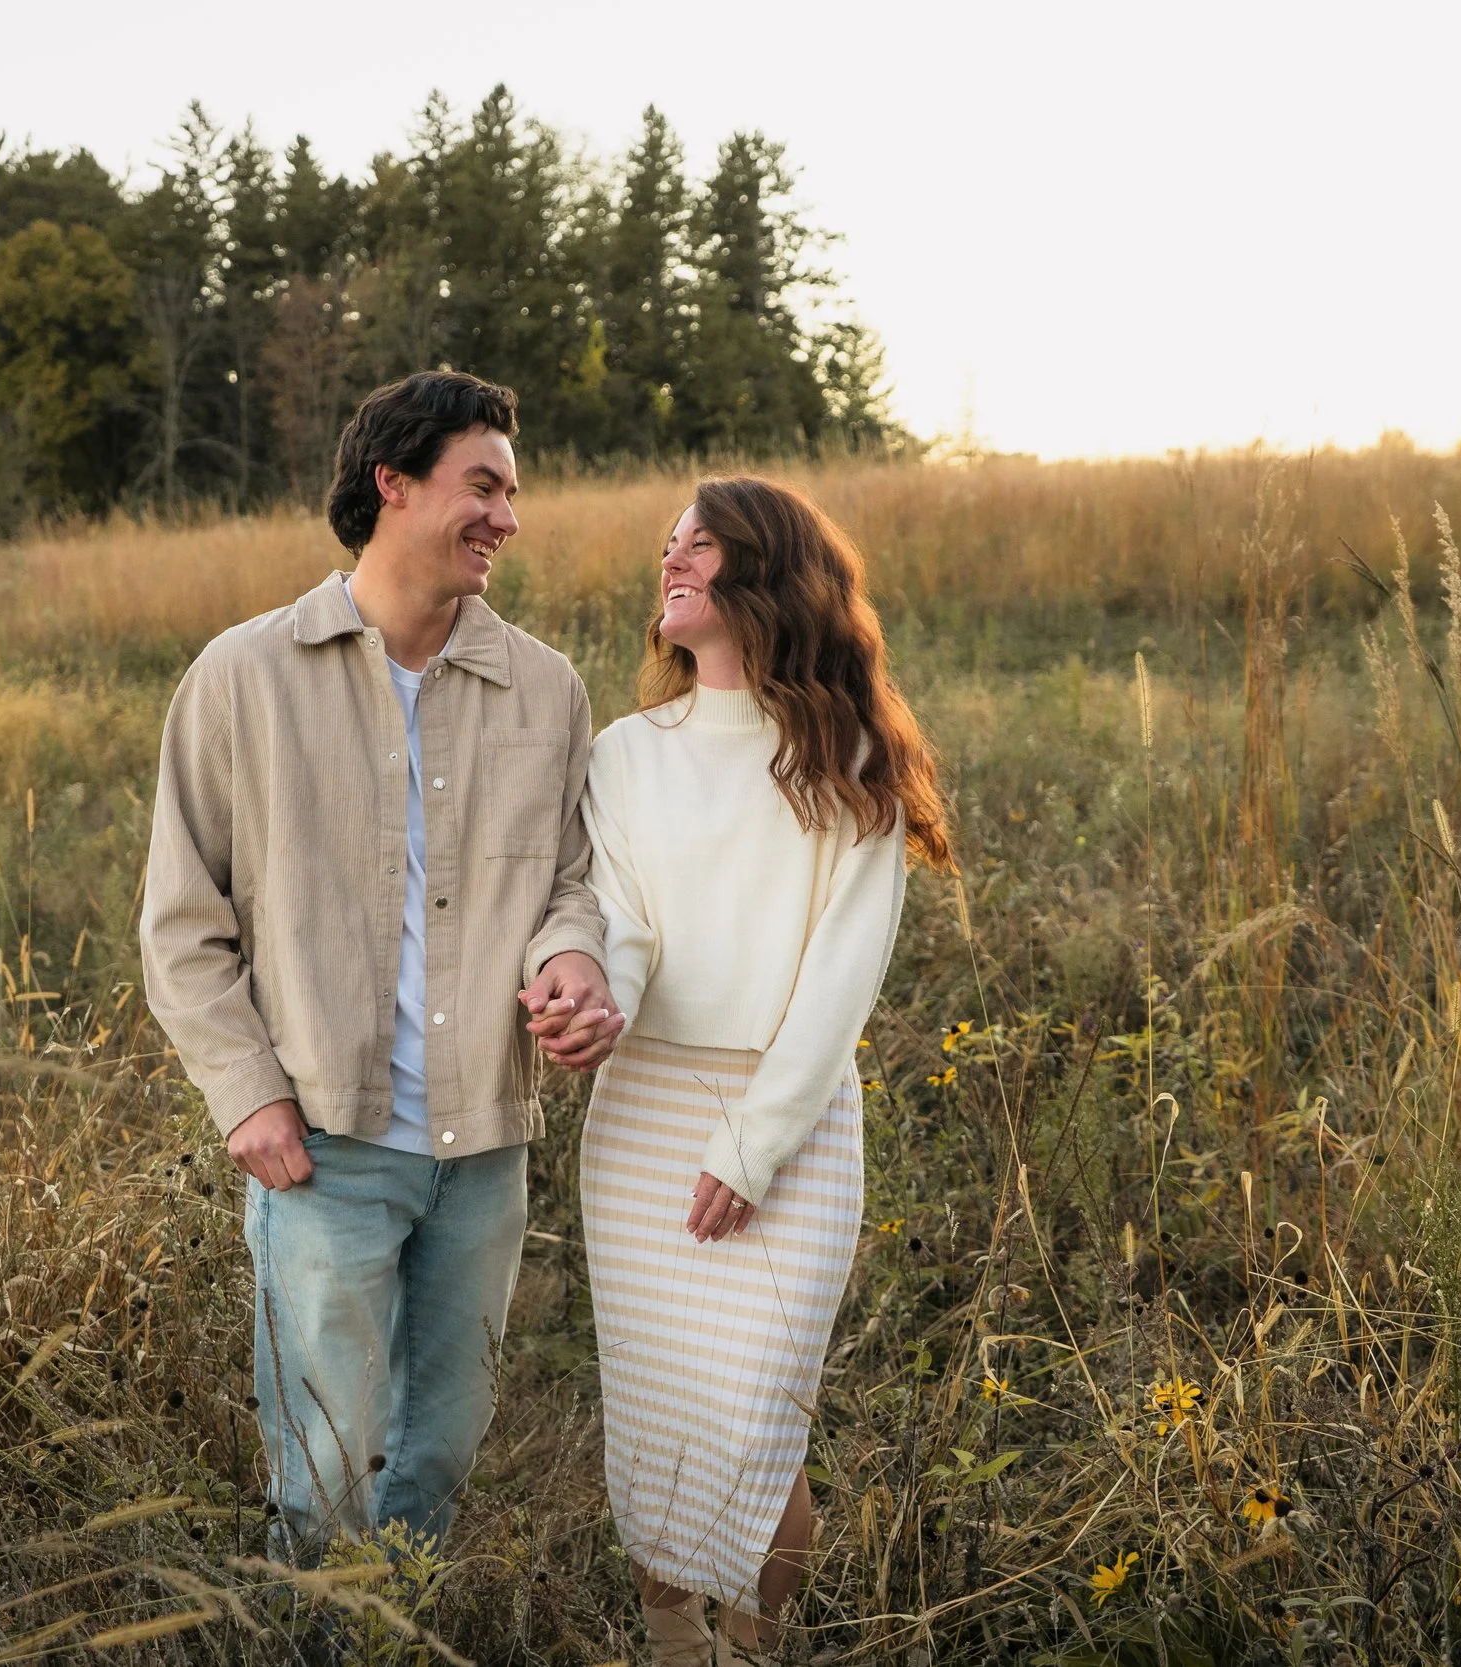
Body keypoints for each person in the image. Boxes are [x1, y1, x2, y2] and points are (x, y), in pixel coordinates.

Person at [138, 370, 625, 1561]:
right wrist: (246, 1089)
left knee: (441, 1451)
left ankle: (397, 1626)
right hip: (324, 1147)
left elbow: (573, 879)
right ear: (391, 484)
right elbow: (179, 920)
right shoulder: (241, 678)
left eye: (511, 493)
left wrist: (571, 959)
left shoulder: (546, 688)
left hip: (482, 1150)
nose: (507, 517)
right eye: (483, 485)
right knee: (324, 1471)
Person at [579, 477, 953, 1664]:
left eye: (702, 542)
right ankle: (671, 1640)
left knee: (750, 1421)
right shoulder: (625, 751)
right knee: (656, 1416)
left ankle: (753, 1648)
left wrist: (750, 1144)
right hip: (640, 1108)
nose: (672, 559)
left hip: (787, 1118)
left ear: (767, 574)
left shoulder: (848, 757)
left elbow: (838, 979)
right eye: (667, 545)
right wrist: (603, 999)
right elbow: (623, 919)